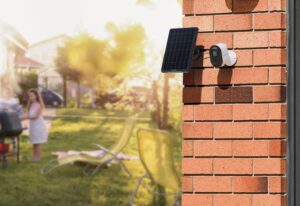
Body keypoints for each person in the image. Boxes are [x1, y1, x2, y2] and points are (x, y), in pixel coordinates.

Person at [21, 88, 48, 162]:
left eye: (32, 96)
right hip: (33, 126)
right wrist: (21, 117)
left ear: (36, 96)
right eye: (29, 96)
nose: (30, 97)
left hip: (38, 126)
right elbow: (28, 113)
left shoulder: (39, 105)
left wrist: (25, 118)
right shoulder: (32, 105)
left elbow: (35, 116)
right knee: (34, 142)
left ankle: (37, 158)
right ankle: (34, 158)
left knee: (38, 143)